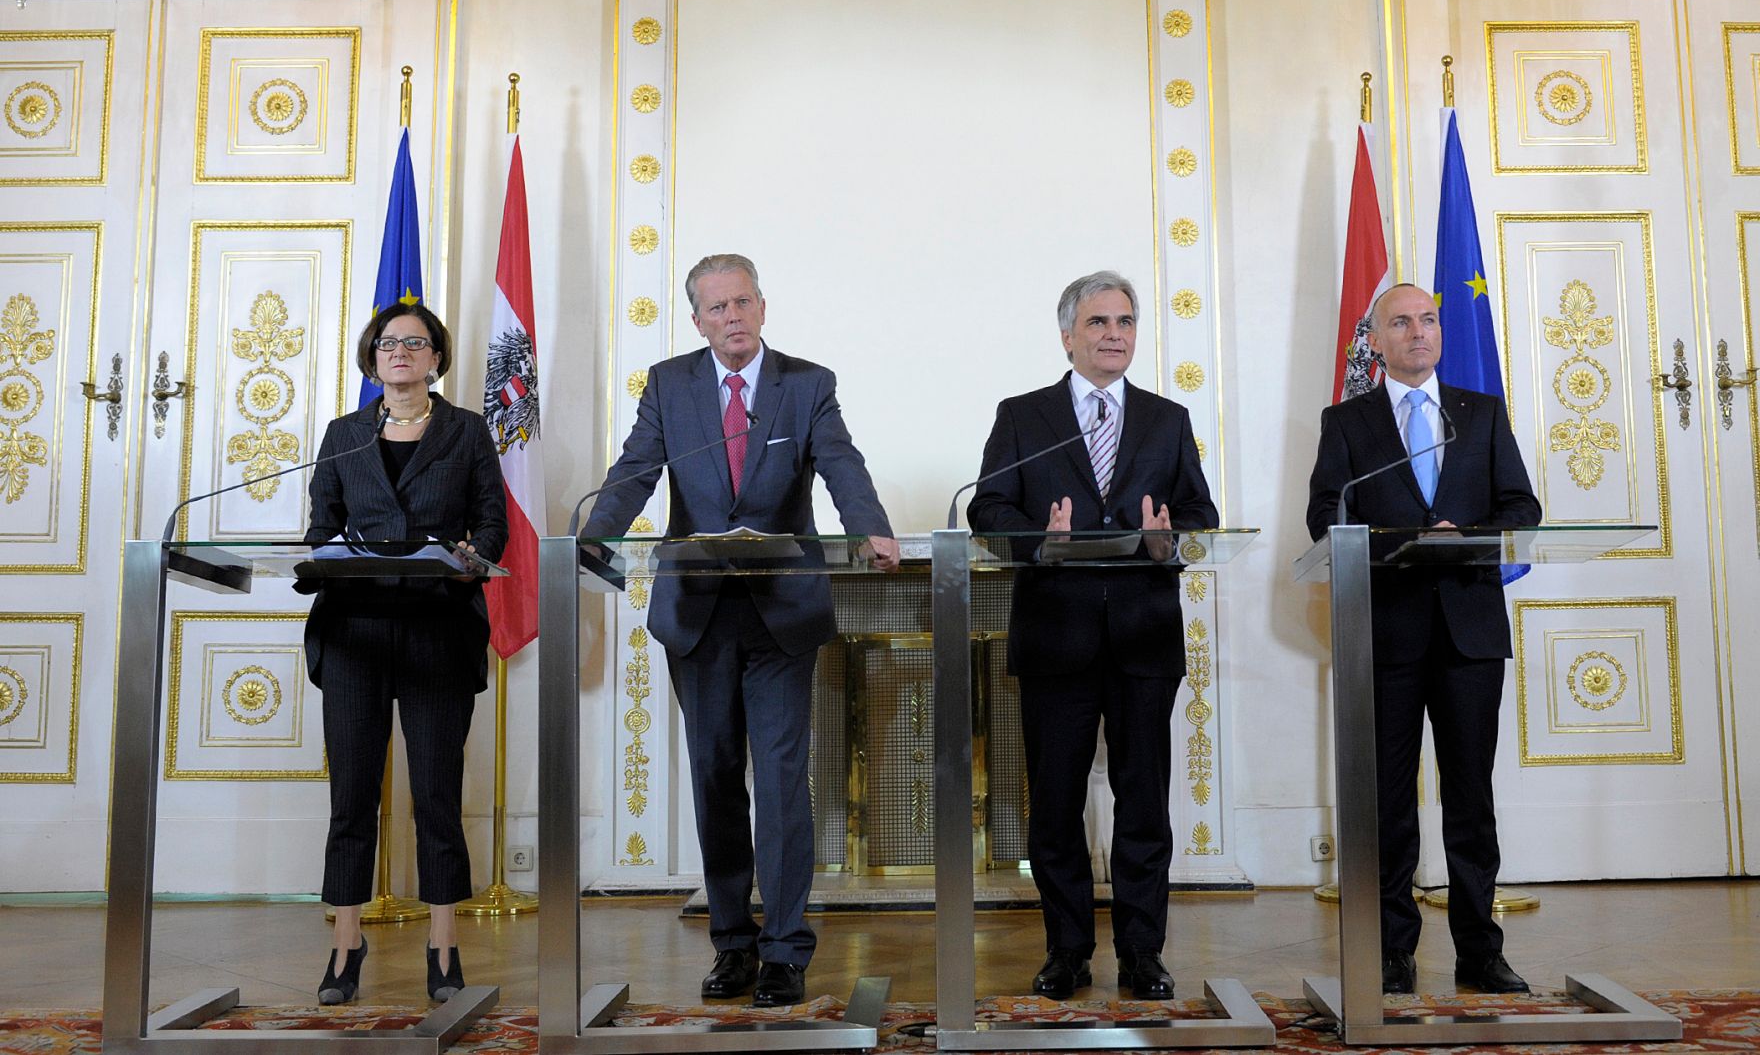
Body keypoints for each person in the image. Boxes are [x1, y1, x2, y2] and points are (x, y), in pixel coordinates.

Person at [581, 254, 900, 1008]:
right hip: (698, 613)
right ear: (697, 320)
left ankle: (786, 950)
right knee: (716, 776)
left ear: (763, 307)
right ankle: (733, 943)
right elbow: (635, 469)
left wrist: (872, 530)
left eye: (743, 303)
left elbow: (841, 464)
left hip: (781, 612)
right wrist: (595, 536)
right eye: (717, 308)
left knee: (783, 780)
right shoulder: (669, 384)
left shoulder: (807, 384)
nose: (732, 317)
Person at [967, 271, 1216, 1001]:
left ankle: (1143, 956)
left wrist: (1175, 542)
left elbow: (1200, 513)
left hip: (1144, 636)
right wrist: (1037, 541)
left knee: (1144, 805)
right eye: (1100, 321)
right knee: (1055, 805)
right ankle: (1066, 953)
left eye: (1127, 321)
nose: (1116, 333)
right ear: (1068, 334)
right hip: (1056, 634)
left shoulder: (1167, 419)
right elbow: (987, 508)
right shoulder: (1023, 415)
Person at [1305, 282, 1541, 997]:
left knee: (1471, 797)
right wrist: (1407, 541)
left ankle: (1480, 951)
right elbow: (1326, 515)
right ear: (1374, 340)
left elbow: (1522, 505)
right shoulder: (1348, 422)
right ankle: (1389, 951)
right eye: (1401, 323)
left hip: (1469, 632)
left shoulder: (1482, 413)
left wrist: (1461, 536)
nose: (1419, 332)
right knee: (1387, 802)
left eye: (1429, 320)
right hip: (1389, 632)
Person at [300, 303, 507, 1006]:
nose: (401, 353)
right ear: (372, 359)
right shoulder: (344, 436)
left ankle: (443, 944)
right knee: (352, 798)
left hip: (437, 630)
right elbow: (321, 528)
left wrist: (471, 558)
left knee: (438, 799)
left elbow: (493, 525)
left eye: (415, 343)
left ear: (435, 360)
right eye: (389, 344)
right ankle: (344, 944)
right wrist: (320, 559)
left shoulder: (468, 432)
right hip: (355, 632)